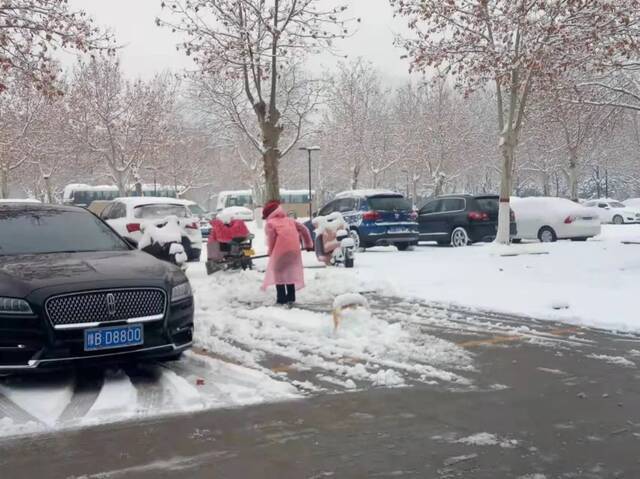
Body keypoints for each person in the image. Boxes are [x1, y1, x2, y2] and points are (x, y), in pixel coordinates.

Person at [262, 200, 314, 305]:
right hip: (294, 251)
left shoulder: (270, 223)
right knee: (289, 272)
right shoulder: (290, 220)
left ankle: (281, 299)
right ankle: (291, 297)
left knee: (278, 273)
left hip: (281, 251)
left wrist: (271, 252)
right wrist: (308, 244)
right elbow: (304, 229)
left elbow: (272, 239)